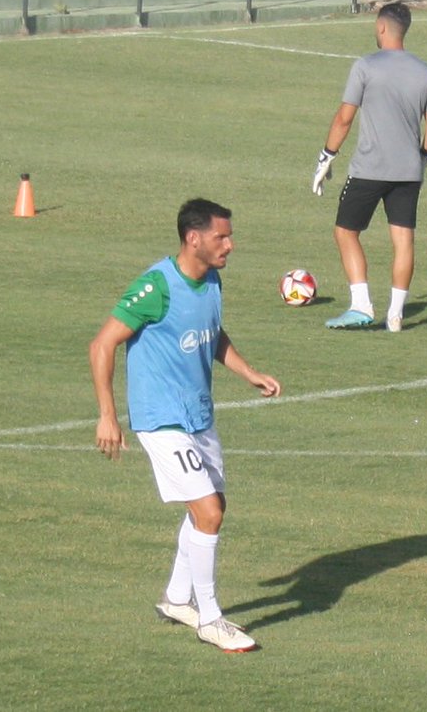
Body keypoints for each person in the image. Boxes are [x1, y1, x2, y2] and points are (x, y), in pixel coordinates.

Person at [88, 198, 282, 653]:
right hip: (161, 419)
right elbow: (101, 345)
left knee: (212, 507)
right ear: (193, 238)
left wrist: (248, 372)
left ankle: (177, 599)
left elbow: (211, 332)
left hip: (198, 414)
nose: (230, 245)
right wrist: (107, 415)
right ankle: (210, 619)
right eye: (221, 237)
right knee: (209, 511)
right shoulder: (156, 286)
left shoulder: (211, 279)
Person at [312, 0, 427, 333]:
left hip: (369, 169)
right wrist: (422, 158)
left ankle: (361, 305)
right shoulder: (424, 71)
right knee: (403, 240)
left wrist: (327, 156)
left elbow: (344, 119)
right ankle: (395, 315)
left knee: (346, 232)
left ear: (382, 27)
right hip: (409, 172)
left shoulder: (365, 66)